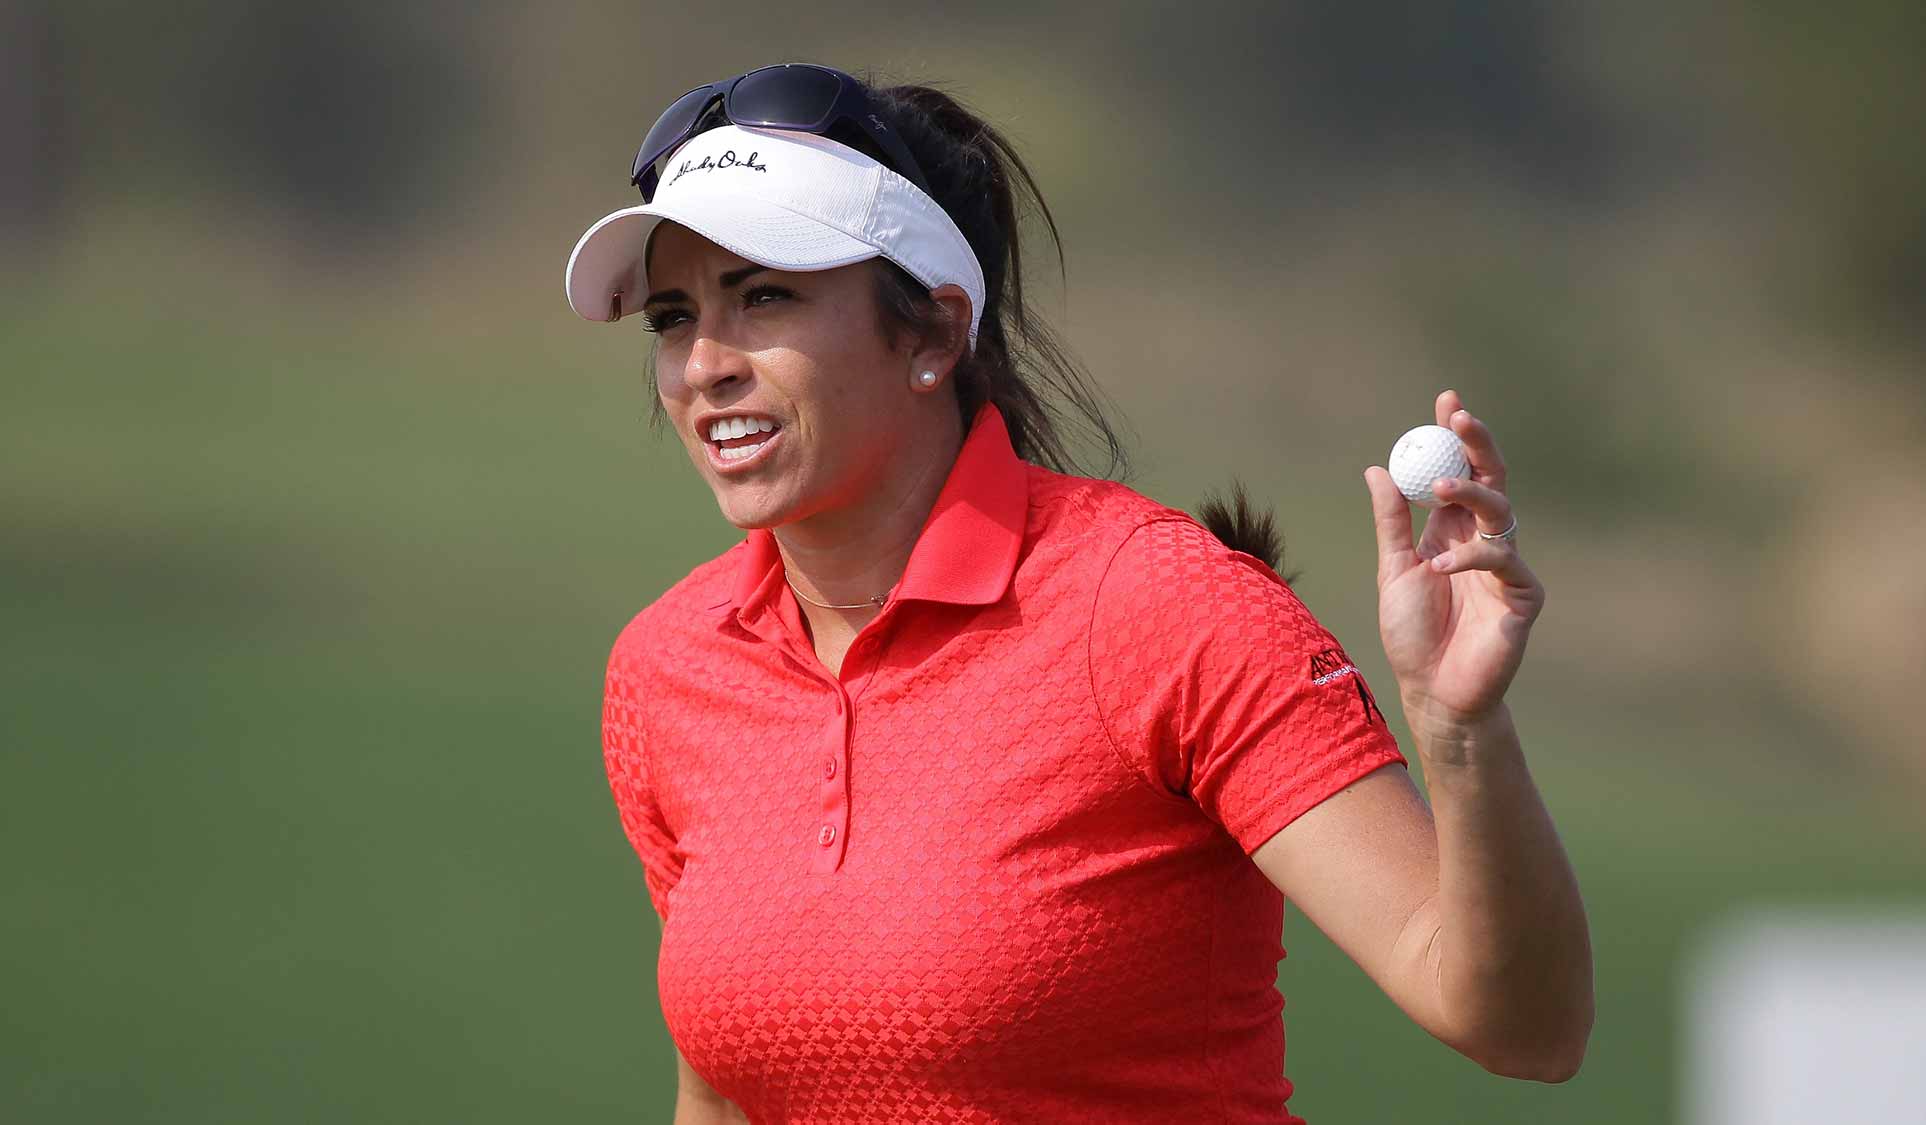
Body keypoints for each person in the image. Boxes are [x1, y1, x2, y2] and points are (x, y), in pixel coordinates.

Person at [566, 63, 1592, 1124]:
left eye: (765, 295)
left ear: (928, 334)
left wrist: (1459, 731)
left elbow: (1525, 1029)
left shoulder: (1163, 610)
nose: (702, 367)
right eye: (673, 319)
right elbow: (729, 1091)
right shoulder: (668, 668)